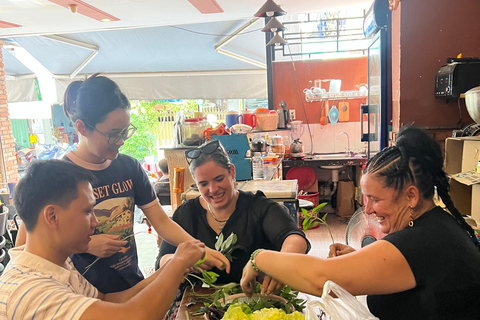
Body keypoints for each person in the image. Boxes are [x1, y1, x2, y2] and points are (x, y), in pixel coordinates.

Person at [15, 74, 229, 294]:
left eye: (125, 132)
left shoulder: (129, 167)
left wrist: (198, 249)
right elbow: (25, 250)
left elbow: (161, 222)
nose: (121, 141)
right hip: (82, 297)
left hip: (131, 285)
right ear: (82, 128)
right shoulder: (56, 177)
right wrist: (86, 246)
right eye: (113, 134)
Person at [240, 126, 480, 319]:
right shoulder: (435, 227)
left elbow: (319, 278)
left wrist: (259, 257)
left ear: (411, 196)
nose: (367, 209)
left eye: (375, 199)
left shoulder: (422, 242)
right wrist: (359, 259)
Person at [0, 160, 206, 320]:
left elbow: (109, 300)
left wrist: (166, 272)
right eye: (87, 211)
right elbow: (133, 316)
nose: (96, 222)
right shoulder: (32, 292)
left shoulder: (59, 264)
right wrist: (177, 264)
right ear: (52, 216)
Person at [159, 140, 310, 289]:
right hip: (194, 305)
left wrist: (280, 265)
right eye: (203, 184)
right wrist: (180, 261)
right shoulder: (186, 214)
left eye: (219, 179)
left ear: (232, 172)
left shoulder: (258, 207)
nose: (212, 189)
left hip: (254, 303)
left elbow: (295, 238)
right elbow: (162, 259)